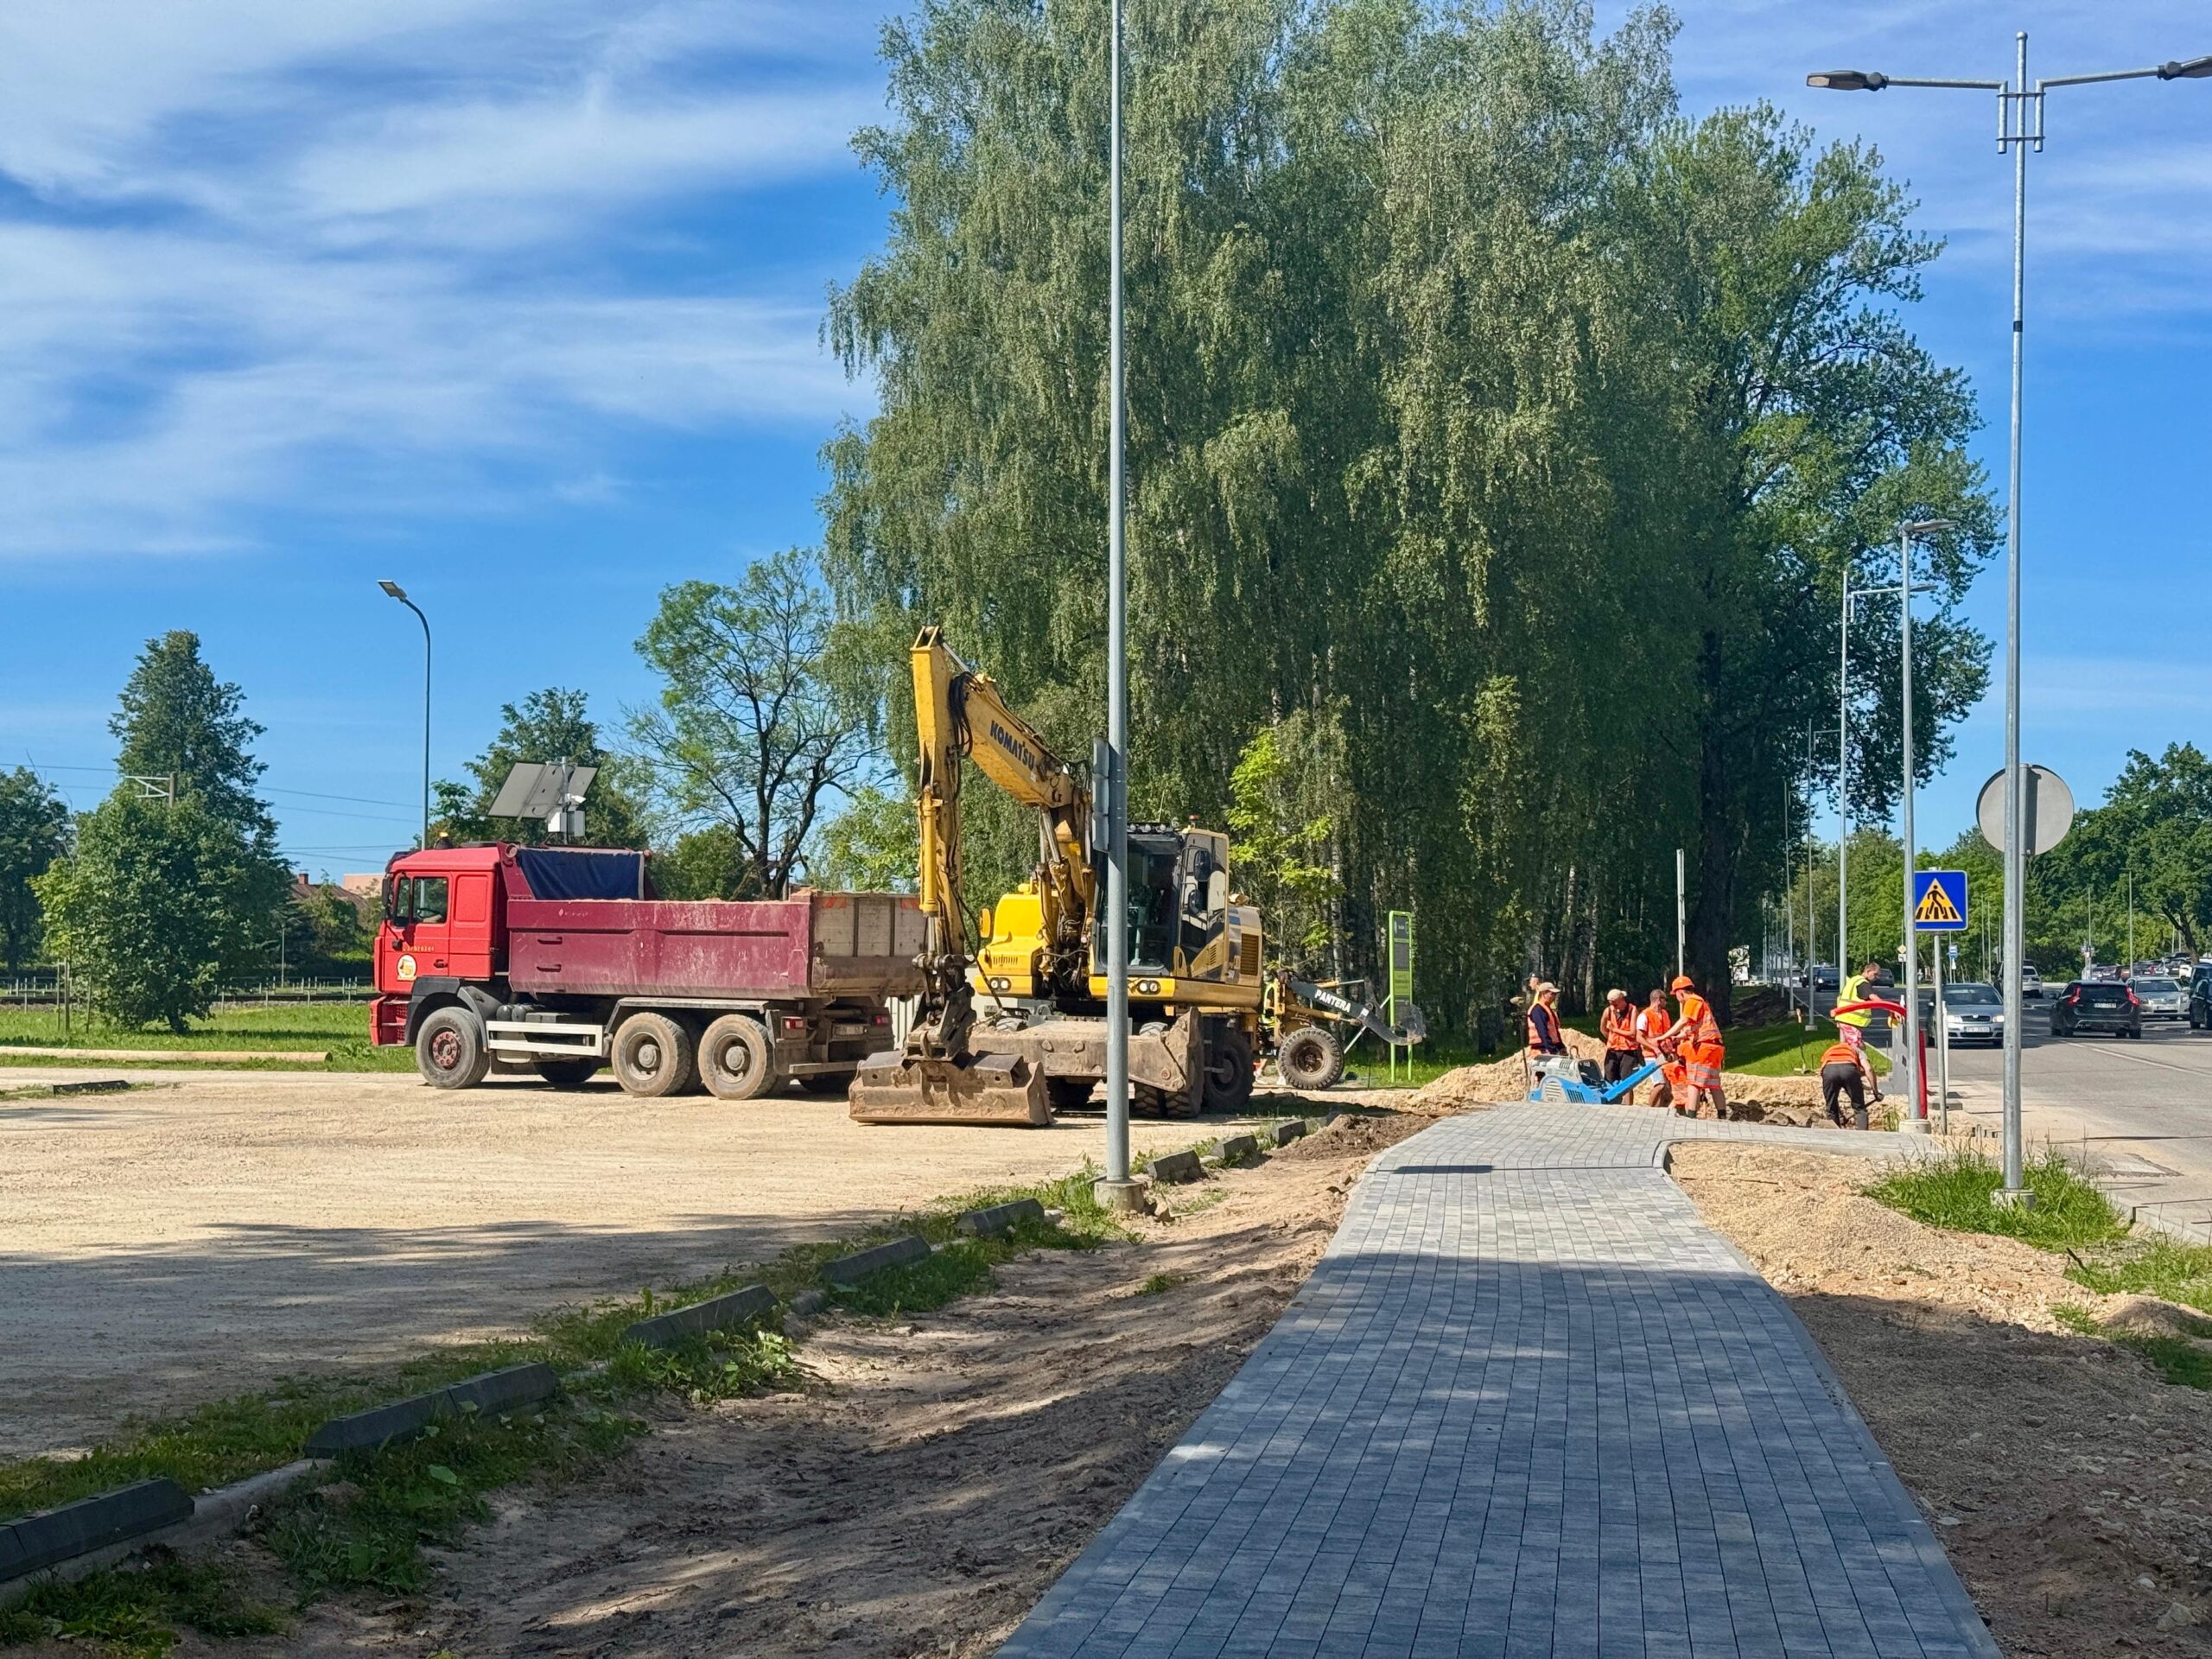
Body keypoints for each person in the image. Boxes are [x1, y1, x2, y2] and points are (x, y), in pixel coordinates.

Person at [1661, 974, 1726, 1119]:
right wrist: (1677, 1037)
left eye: (1675, 994)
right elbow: (1692, 1028)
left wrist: (1664, 1036)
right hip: (1716, 1047)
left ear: (1680, 992)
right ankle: (1722, 1116)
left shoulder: (1692, 1001)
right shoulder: (1701, 1004)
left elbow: (1683, 1021)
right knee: (1714, 1084)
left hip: (1704, 1048)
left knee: (1694, 1083)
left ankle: (1691, 1117)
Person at [1817, 1036, 1880, 1131]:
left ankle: (1834, 1136)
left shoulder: (1831, 1050)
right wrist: (1876, 1092)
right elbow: (1869, 1069)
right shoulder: (1856, 1050)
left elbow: (1826, 1075)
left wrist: (1836, 1108)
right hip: (1849, 1070)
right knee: (1859, 1108)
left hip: (1829, 1071)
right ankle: (1863, 1137)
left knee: (1831, 1108)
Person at [1634, 988, 1677, 1109]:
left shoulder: (1665, 1014)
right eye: (1665, 1000)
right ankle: (1650, 1108)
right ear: (1658, 1000)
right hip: (1652, 1055)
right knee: (1659, 1084)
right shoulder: (1644, 1016)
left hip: (1665, 1054)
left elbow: (1667, 1032)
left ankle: (1659, 1109)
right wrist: (1654, 1048)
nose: (1666, 1003)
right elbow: (1639, 1037)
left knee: (1667, 1086)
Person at [1834, 958, 1883, 1054]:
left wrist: (1838, 1015)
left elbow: (1839, 998)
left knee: (1850, 1046)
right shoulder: (1863, 983)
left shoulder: (1853, 980)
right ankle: (1865, 1067)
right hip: (1850, 1020)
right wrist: (1889, 1007)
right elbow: (1873, 997)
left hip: (1844, 1018)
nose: (1877, 977)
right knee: (1858, 1046)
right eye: (1875, 974)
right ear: (1868, 971)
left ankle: (1854, 1064)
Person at [1599, 988, 1639, 1088]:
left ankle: (1627, 1103)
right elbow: (1603, 1028)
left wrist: (1614, 1030)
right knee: (1609, 1078)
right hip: (1613, 1051)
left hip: (1628, 1051)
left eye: (1615, 1004)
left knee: (1627, 1082)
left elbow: (1633, 1033)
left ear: (1622, 999)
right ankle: (1610, 1101)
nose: (1613, 1006)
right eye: (1611, 1004)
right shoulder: (1608, 1011)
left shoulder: (1633, 1011)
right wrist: (1611, 1038)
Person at [1525, 982, 1567, 1058]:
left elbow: (1555, 1032)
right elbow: (1542, 1032)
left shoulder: (1548, 1009)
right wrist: (1553, 1051)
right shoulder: (1538, 1010)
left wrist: (1561, 1047)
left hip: (1551, 1048)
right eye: (1552, 994)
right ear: (1543, 994)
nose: (1554, 997)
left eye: (1555, 994)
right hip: (1542, 1050)